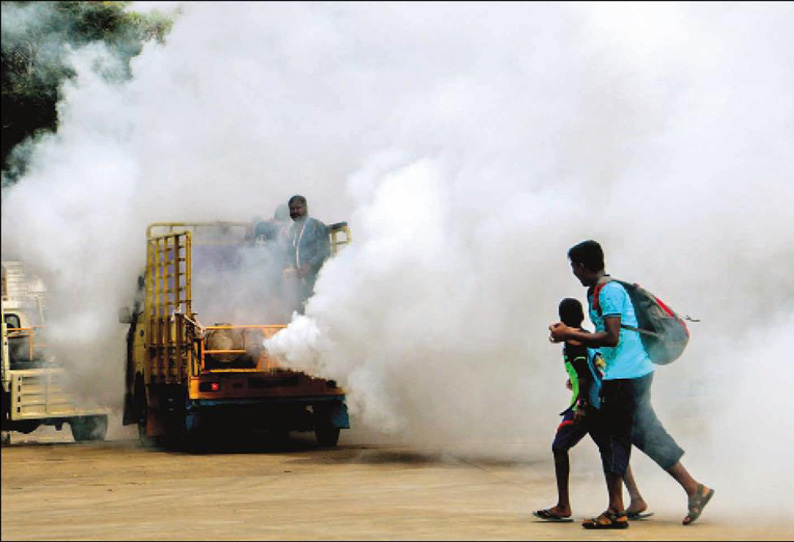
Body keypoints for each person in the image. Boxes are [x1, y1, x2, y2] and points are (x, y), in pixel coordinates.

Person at [549, 240, 714, 529]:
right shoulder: (598, 291)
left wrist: (568, 336)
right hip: (629, 373)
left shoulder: (609, 291)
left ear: (583, 265)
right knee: (646, 437)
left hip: (625, 378)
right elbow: (610, 341)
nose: (574, 272)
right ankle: (694, 489)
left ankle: (616, 510)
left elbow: (611, 337)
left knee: (614, 441)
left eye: (574, 266)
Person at [534, 298, 649, 523]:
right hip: (601, 402)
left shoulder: (573, 341)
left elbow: (585, 375)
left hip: (588, 406)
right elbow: (588, 368)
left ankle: (563, 505)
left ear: (562, 317)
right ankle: (635, 498)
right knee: (610, 451)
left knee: (559, 447)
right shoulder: (587, 336)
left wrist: (582, 404)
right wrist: (573, 379)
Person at [283, 195, 330, 312]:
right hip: (299, 280)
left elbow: (324, 251)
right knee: (300, 309)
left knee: (315, 308)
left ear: (305, 208)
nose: (295, 212)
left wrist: (310, 265)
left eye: (298, 208)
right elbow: (291, 251)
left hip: (316, 278)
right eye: (292, 209)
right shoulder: (293, 229)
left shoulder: (317, 226)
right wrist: (290, 266)